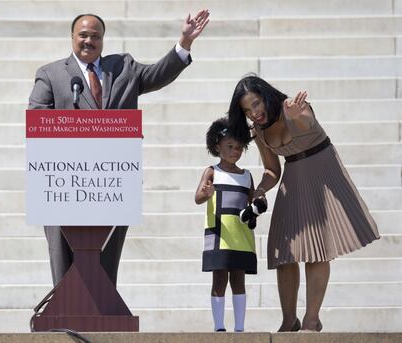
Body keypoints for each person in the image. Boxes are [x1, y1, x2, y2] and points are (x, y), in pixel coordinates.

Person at [28, 11, 209, 287]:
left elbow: (158, 74)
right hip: (64, 180)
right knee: (64, 256)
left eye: (95, 36)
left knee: (106, 258)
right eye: (83, 35)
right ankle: (63, 312)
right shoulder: (51, 74)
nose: (89, 41)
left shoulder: (124, 66)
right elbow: (38, 119)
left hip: (113, 178)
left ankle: (103, 313)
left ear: (103, 39)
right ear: (72, 37)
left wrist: (184, 42)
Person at [227, 75, 380, 332]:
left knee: (316, 248)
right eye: (246, 110)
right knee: (284, 253)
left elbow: (308, 122)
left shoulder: (294, 108)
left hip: (323, 171)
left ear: (265, 95)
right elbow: (272, 170)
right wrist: (260, 190)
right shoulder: (259, 131)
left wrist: (297, 114)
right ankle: (289, 320)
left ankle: (312, 319)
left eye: (256, 104)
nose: (254, 113)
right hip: (294, 177)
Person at [194, 117, 258, 332]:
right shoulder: (212, 172)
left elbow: (254, 202)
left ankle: (240, 328)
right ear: (216, 146)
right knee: (219, 280)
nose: (235, 151)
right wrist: (206, 193)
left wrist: (258, 205)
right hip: (218, 236)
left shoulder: (247, 176)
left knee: (239, 280)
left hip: (241, 237)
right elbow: (198, 198)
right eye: (230, 146)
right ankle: (219, 327)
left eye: (239, 147)